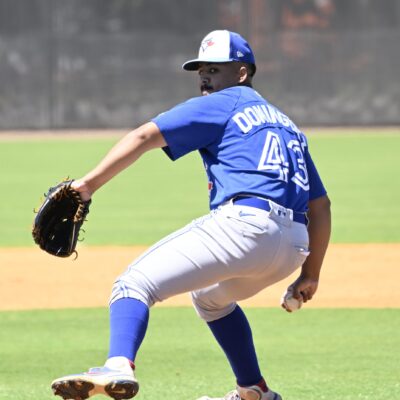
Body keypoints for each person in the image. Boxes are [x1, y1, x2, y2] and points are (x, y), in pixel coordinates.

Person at [51, 30, 331, 400]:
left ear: (242, 73)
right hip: (292, 245)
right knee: (210, 298)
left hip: (246, 227)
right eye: (201, 69)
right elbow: (321, 206)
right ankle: (254, 390)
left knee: (132, 285)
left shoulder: (225, 103)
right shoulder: (286, 124)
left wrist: (84, 187)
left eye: (215, 69)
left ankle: (118, 365)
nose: (204, 77)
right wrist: (309, 275)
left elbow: (142, 137)